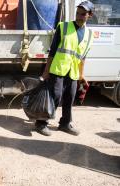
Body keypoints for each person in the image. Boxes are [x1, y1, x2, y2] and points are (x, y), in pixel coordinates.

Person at [36, 1, 94, 136]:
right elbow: (52, 51)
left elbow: (83, 57)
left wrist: (81, 74)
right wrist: (46, 72)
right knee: (55, 96)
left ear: (90, 15)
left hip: (73, 72)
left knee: (70, 98)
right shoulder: (63, 27)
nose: (79, 16)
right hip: (58, 69)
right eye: (78, 13)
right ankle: (41, 123)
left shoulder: (90, 35)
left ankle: (65, 124)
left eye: (83, 14)